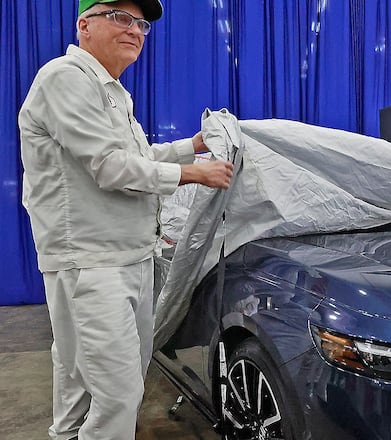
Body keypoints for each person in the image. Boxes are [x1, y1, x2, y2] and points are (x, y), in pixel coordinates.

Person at [18, 1, 234, 438]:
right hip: (92, 261)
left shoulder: (111, 91)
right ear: (85, 25)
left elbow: (136, 156)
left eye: (141, 23)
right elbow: (110, 167)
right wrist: (194, 173)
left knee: (81, 383)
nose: (134, 29)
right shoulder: (65, 79)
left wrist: (189, 147)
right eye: (120, 17)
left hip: (126, 256)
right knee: (118, 394)